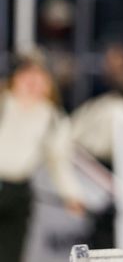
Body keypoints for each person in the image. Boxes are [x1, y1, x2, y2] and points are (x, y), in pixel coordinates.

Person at [0, 52, 84, 262]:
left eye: (39, 78)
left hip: (18, 190)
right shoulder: (3, 103)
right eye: (27, 76)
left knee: (11, 251)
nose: (32, 83)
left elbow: (59, 161)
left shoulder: (52, 118)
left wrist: (71, 195)